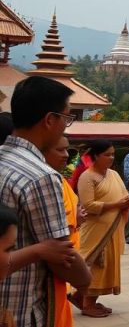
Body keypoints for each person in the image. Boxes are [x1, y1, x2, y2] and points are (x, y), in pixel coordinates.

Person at [0, 77, 91, 326]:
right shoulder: (41, 176)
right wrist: (85, 281)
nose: (66, 126)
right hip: (19, 309)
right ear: (50, 120)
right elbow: (62, 258)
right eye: (66, 118)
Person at [75, 139, 129, 317]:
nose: (111, 157)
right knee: (94, 264)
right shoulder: (87, 176)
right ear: (95, 156)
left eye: (113, 154)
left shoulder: (114, 174)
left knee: (106, 265)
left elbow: (124, 195)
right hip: (96, 230)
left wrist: (128, 203)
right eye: (107, 154)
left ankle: (83, 299)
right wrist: (117, 204)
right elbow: (89, 205)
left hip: (113, 228)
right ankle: (86, 304)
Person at [43, 134, 83, 327]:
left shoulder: (59, 179)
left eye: (68, 150)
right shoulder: (49, 181)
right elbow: (61, 227)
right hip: (60, 254)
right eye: (60, 150)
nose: (66, 155)